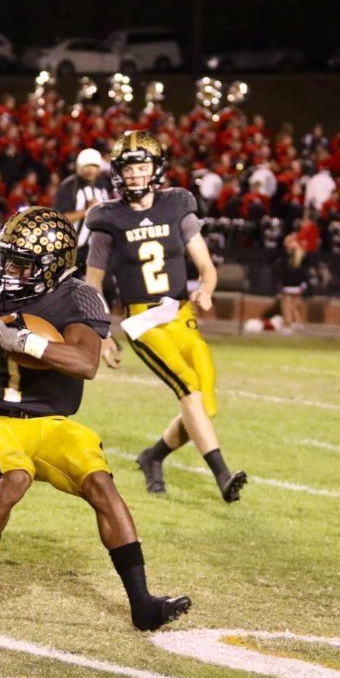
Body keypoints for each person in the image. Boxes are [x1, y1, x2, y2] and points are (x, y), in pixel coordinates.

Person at [0, 207, 191, 632]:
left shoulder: (78, 297)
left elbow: (86, 363)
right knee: (13, 479)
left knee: (102, 486)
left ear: (51, 266)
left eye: (22, 262)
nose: (8, 269)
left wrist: (31, 344)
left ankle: (142, 603)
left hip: (55, 423)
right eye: (7, 257)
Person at [85, 131, 246, 503]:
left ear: (156, 169)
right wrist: (103, 335)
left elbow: (206, 265)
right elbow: (92, 284)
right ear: (118, 173)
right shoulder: (108, 218)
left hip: (181, 314)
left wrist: (205, 290)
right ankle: (222, 474)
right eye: (130, 168)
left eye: (143, 166)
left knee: (206, 404)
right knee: (187, 387)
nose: (137, 175)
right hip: (142, 320)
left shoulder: (176, 206)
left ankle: (153, 456)